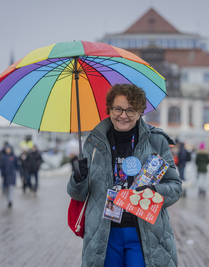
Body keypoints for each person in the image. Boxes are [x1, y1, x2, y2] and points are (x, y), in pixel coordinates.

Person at [67, 84, 182, 267]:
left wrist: (153, 192)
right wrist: (78, 179)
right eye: (118, 109)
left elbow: (175, 187)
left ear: (140, 112)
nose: (123, 115)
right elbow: (78, 194)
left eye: (131, 110)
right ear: (109, 109)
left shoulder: (156, 141)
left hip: (144, 233)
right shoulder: (93, 144)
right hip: (105, 234)